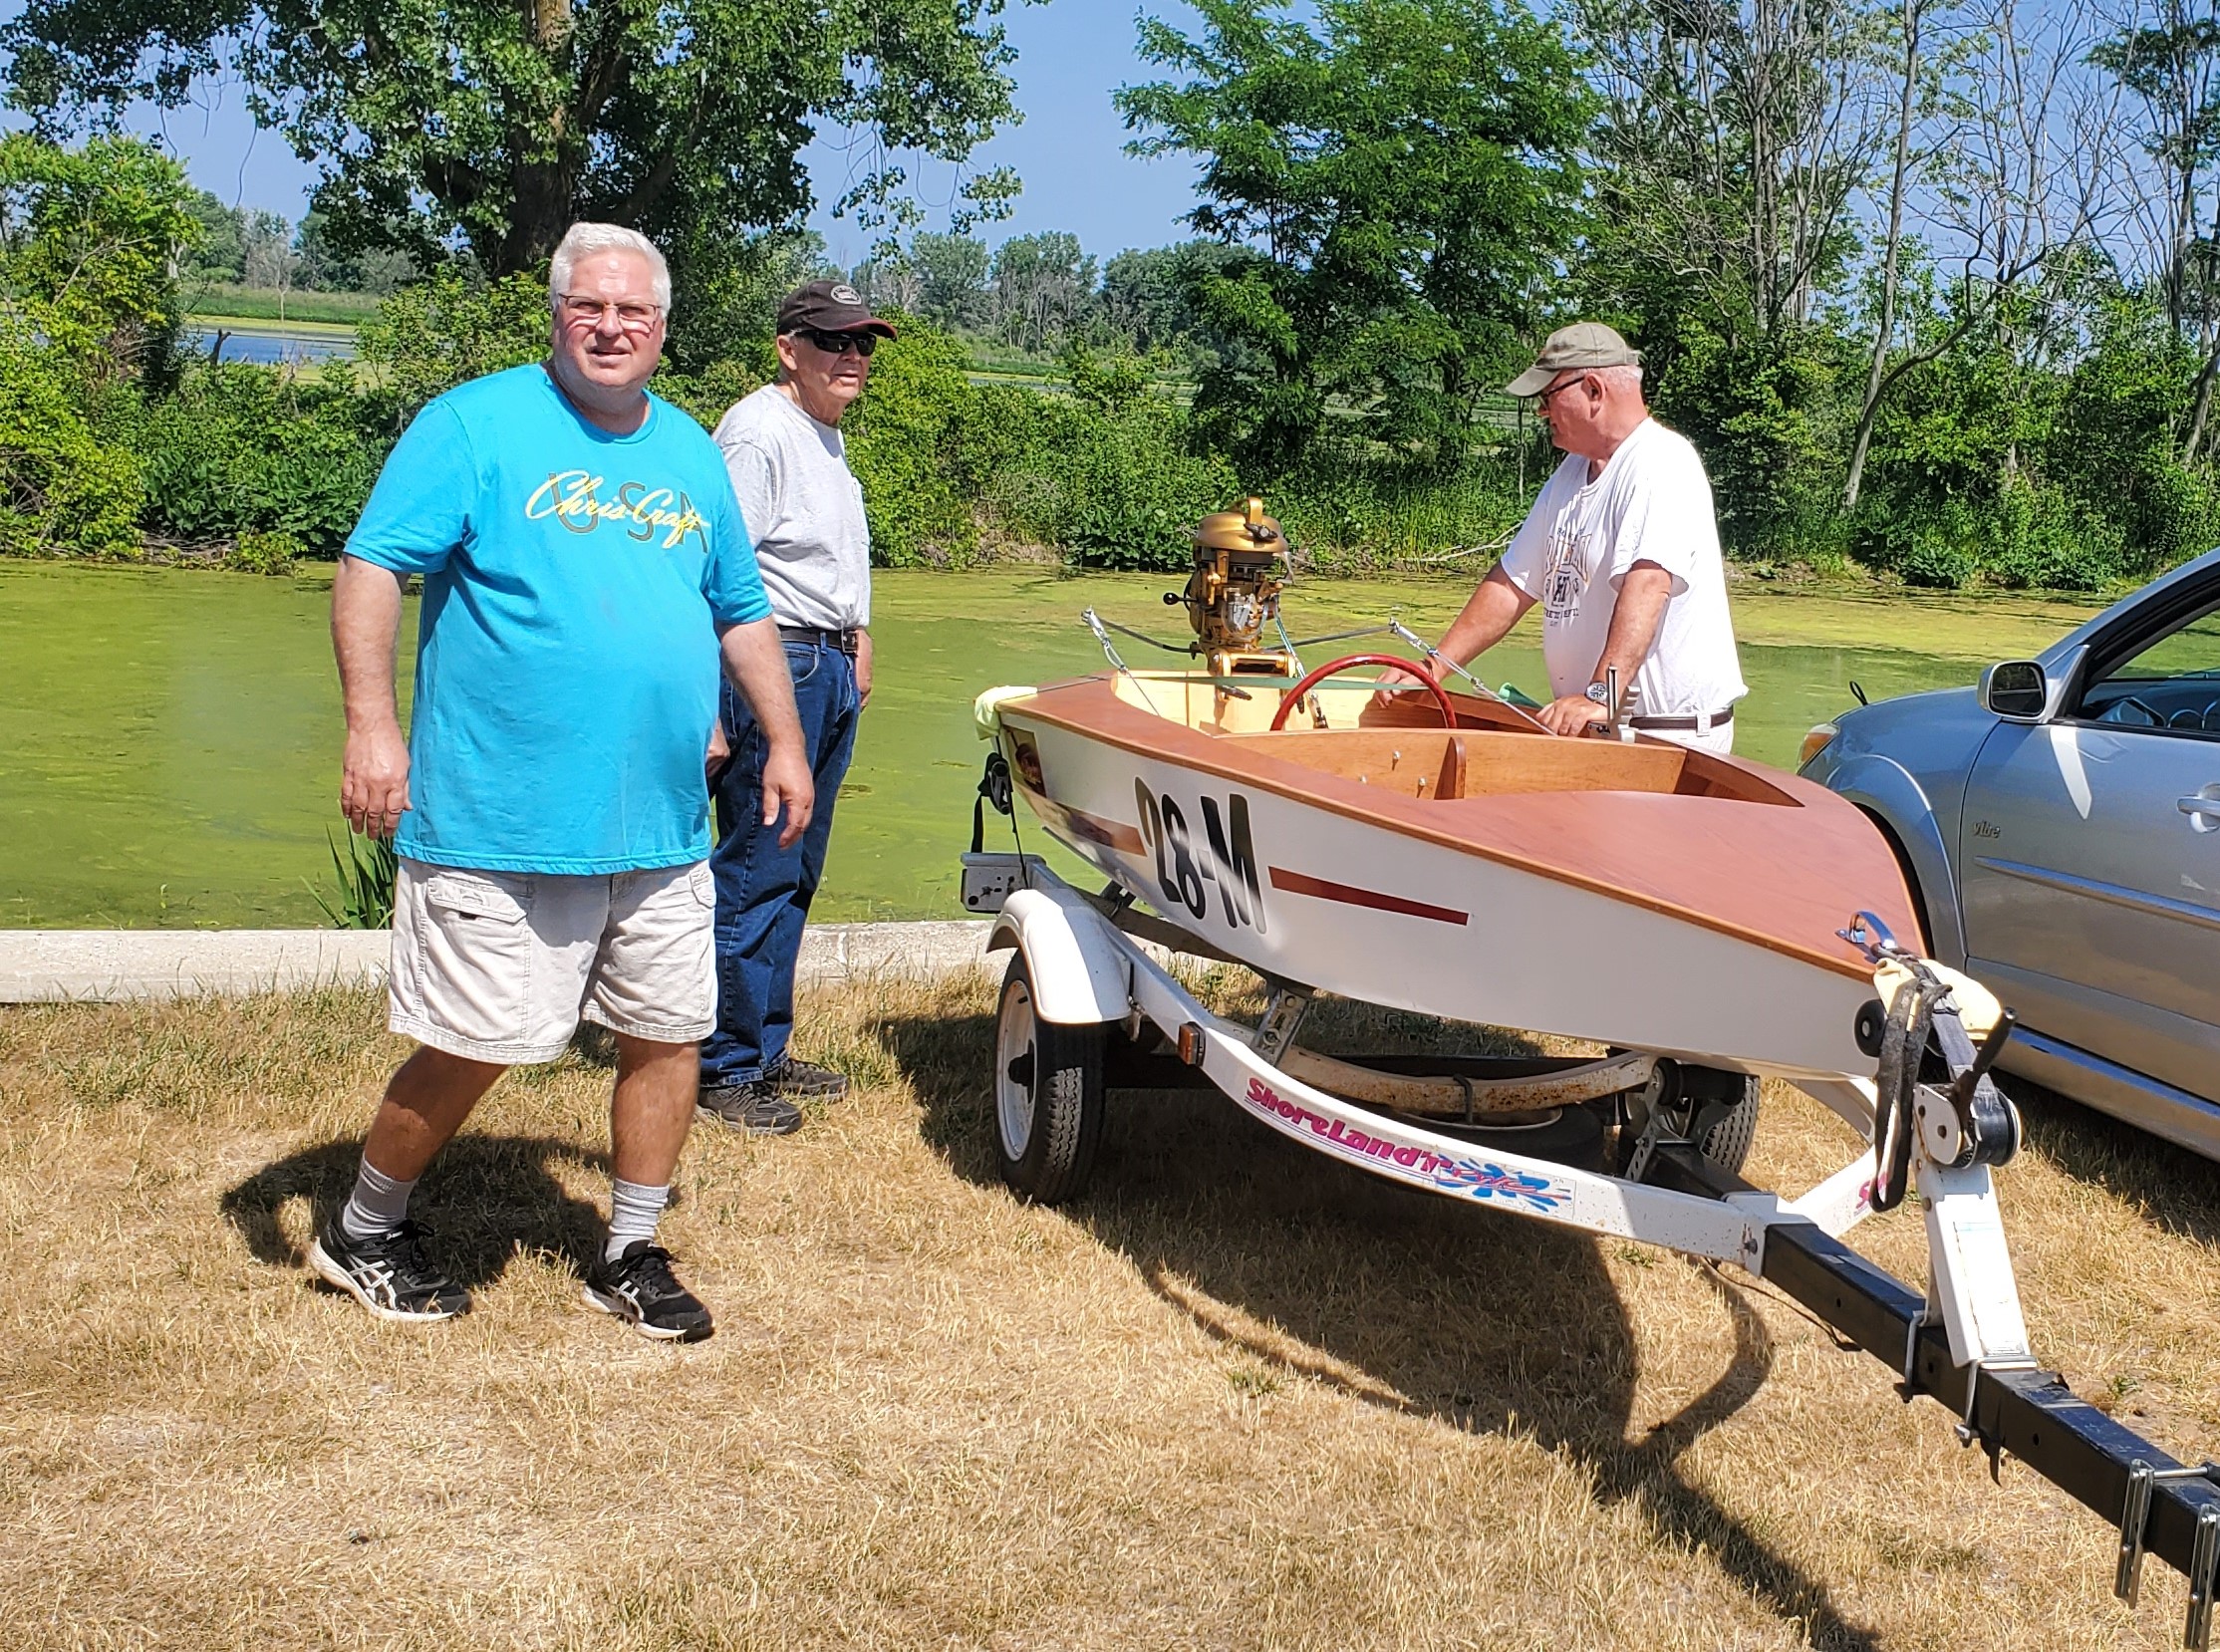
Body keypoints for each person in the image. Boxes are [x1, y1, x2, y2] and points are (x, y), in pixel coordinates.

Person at [313, 222, 815, 1342]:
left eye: (633, 311)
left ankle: (629, 1249)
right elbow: (372, 566)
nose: (611, 327)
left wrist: (782, 741)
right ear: (556, 314)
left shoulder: (689, 451)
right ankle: (363, 1225)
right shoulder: (474, 425)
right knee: (478, 1038)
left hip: (660, 822)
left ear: (663, 328)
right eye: (590, 305)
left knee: (668, 1031)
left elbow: (740, 610)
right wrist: (372, 729)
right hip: (498, 816)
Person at [694, 280, 893, 1135]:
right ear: (788, 348)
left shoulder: (824, 434)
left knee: (796, 868)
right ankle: (723, 1064)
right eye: (833, 341)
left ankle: (765, 1048)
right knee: (755, 866)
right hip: (778, 665)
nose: (852, 358)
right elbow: (713, 574)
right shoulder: (757, 431)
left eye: (863, 344)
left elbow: (827, 557)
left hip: (827, 662)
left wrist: (859, 637)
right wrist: (711, 705)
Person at [1387, 323, 1746, 753]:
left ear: (1593, 390)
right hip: (1593, 728)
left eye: (1548, 397)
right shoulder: (1570, 474)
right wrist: (1432, 669)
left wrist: (1601, 696)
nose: (1542, 412)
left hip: (1664, 736)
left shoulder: (1661, 463)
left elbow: (1649, 585)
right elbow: (1512, 584)